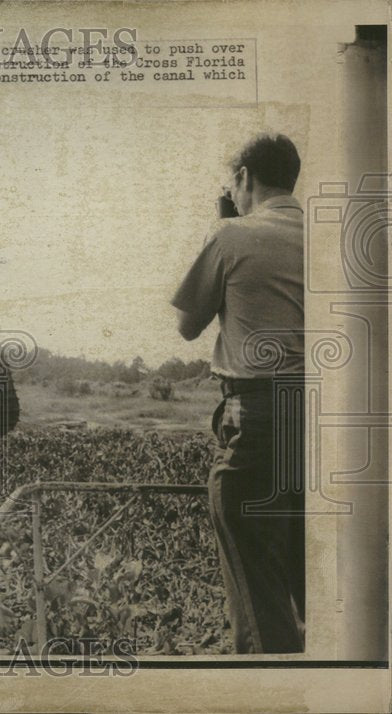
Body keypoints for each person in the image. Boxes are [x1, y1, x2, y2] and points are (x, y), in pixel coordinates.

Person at [171, 133, 306, 654]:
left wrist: (222, 222)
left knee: (253, 575)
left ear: (244, 177)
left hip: (261, 416)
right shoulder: (329, 234)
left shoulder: (231, 236)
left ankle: (271, 684)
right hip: (329, 419)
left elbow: (187, 325)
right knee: (313, 567)